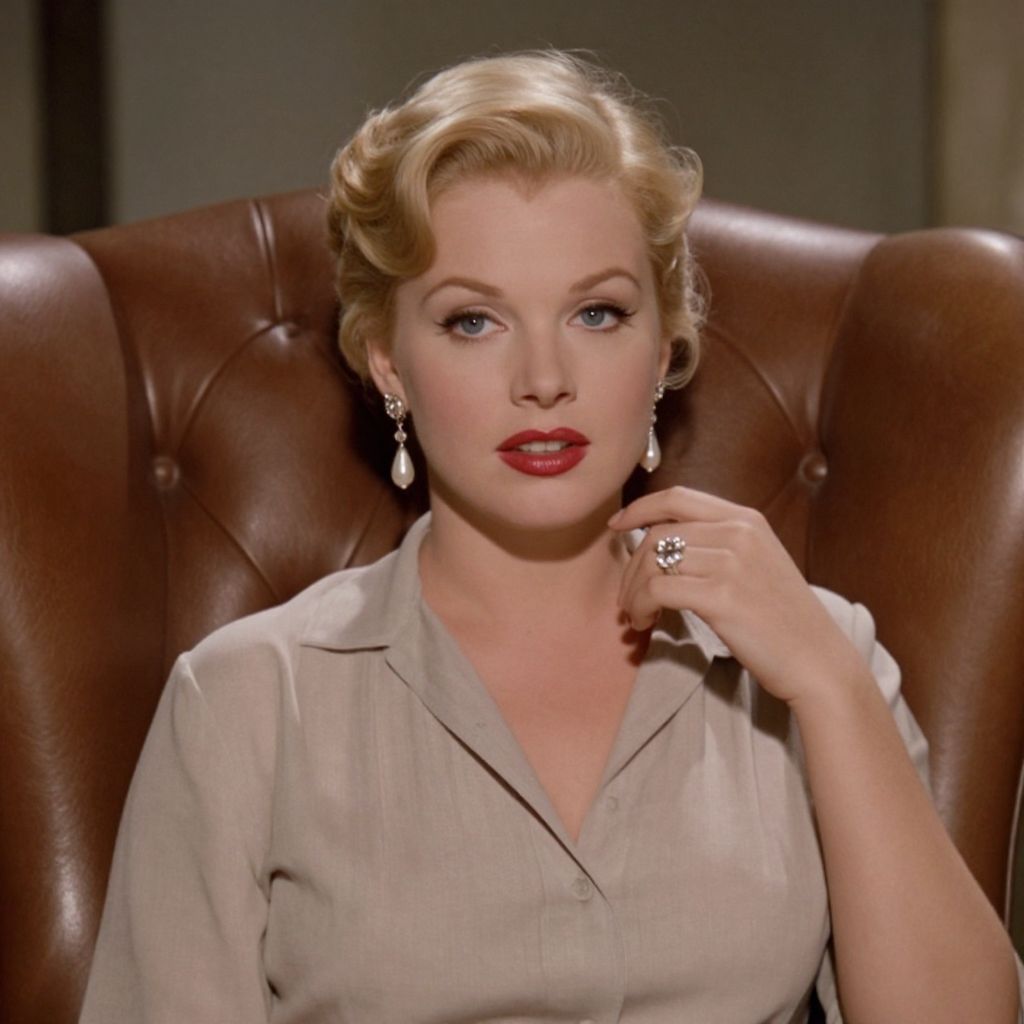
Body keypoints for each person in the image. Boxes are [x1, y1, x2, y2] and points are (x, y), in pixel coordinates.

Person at [79, 51, 1022, 1023]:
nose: (543, 378)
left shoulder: (818, 654)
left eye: (596, 313)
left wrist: (829, 685)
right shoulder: (245, 701)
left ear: (662, 348)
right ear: (388, 363)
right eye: (473, 321)